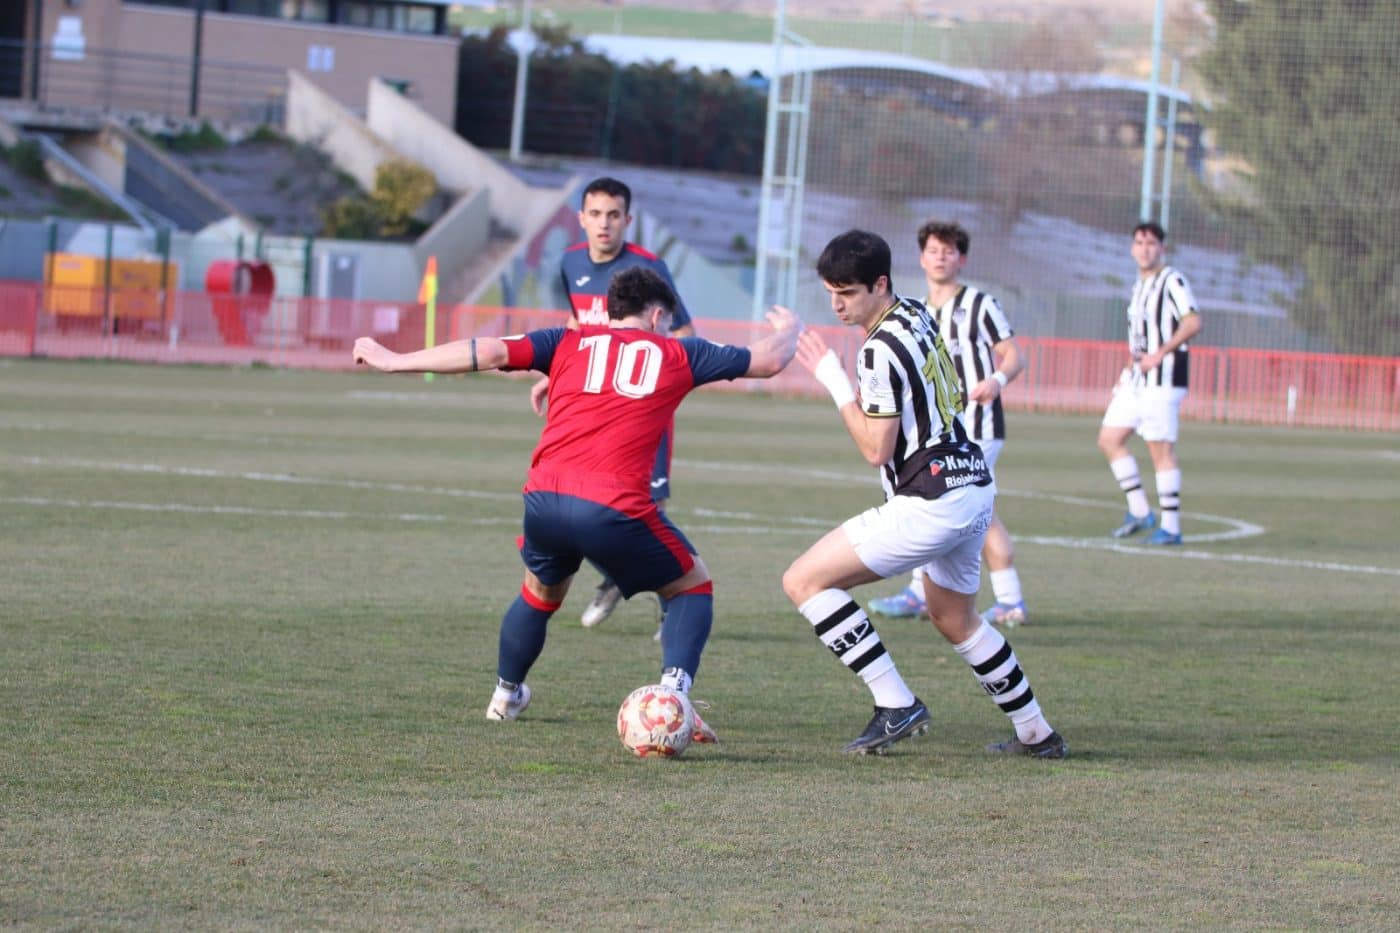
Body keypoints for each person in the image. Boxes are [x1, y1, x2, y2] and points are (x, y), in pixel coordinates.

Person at [353, 266, 801, 741]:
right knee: (691, 586)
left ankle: (506, 695)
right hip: (613, 508)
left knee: (539, 594)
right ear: (655, 316)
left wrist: (393, 359)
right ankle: (673, 699)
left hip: (544, 500)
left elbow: (486, 350)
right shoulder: (679, 352)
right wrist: (792, 329)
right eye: (666, 322)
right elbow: (769, 360)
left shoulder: (567, 342)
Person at [782, 229, 1066, 759]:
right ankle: (1037, 733)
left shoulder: (875, 351)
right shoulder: (916, 311)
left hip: (930, 500)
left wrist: (833, 380)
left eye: (847, 292)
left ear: (880, 284)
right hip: (973, 483)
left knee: (804, 580)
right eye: (830, 293)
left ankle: (896, 704)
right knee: (953, 616)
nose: (837, 305)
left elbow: (875, 448)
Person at [536, 176, 697, 632]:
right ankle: (613, 578)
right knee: (579, 498)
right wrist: (554, 375)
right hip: (588, 409)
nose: (604, 224)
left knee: (651, 508)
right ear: (581, 218)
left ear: (628, 219)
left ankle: (668, 602)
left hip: (641, 411)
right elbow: (576, 324)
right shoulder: (570, 263)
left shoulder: (649, 268)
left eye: (614, 215)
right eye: (596, 214)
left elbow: (683, 333)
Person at [869, 221, 1030, 626]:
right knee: (945, 506)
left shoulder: (980, 304)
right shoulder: (917, 311)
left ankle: (1006, 600)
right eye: (934, 250)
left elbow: (1014, 355)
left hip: (978, 427)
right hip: (937, 431)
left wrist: (997, 380)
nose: (941, 256)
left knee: (976, 511)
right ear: (921, 257)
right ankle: (925, 593)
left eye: (949, 250)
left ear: (963, 259)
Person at [1097, 221, 1202, 546]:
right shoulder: (1139, 286)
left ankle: (1171, 526)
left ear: (1162, 249)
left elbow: (1193, 321)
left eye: (1152, 243)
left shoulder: (1172, 280)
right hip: (1138, 379)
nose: (1145, 249)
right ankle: (1141, 511)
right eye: (1140, 243)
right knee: (1109, 438)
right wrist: (1129, 368)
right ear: (1132, 249)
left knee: (1160, 449)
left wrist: (1160, 353)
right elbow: (1139, 338)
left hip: (1165, 377)